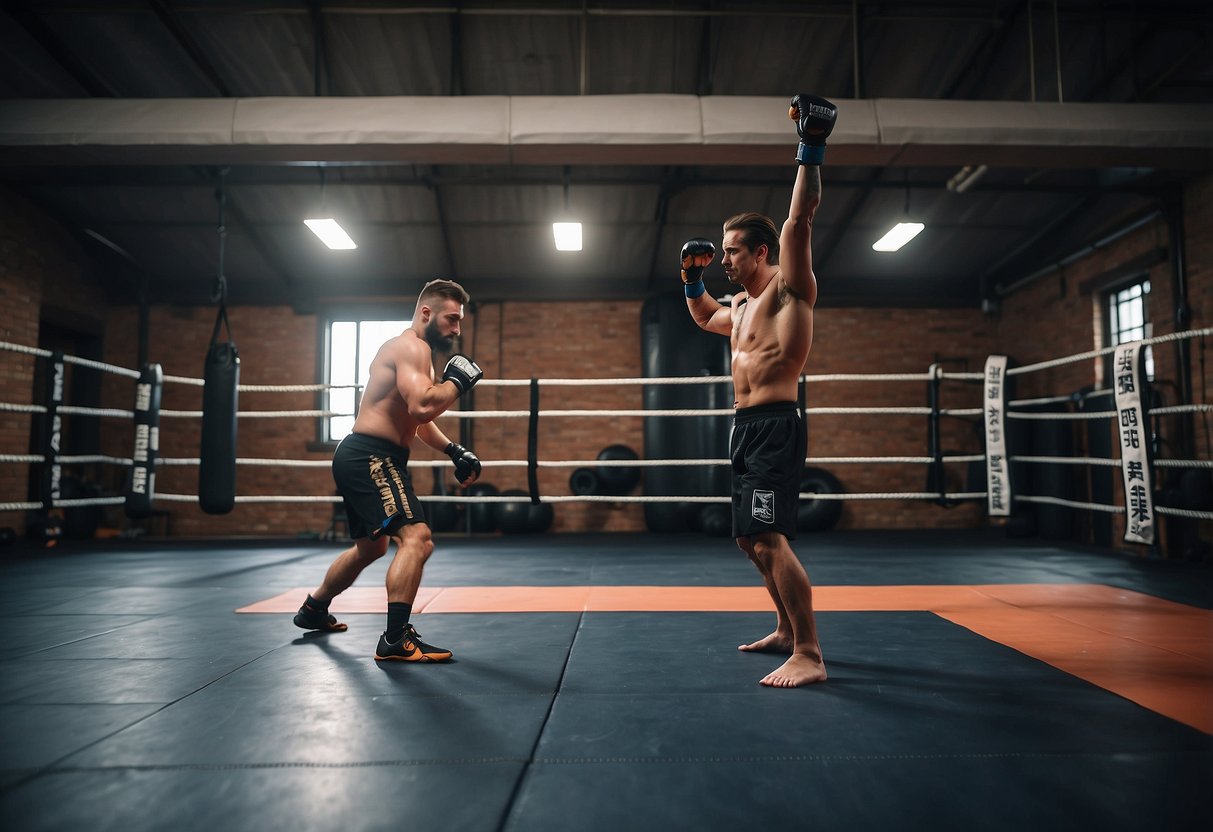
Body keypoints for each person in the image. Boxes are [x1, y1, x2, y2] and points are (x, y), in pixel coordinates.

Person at [679, 94, 837, 688]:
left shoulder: (790, 290)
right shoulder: (741, 306)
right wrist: (691, 277)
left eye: (732, 251)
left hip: (775, 424)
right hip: (743, 429)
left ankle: (812, 653)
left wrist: (810, 148)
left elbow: (801, 221)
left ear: (761, 252)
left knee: (769, 538)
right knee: (750, 539)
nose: (724, 259)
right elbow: (703, 318)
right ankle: (785, 629)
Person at [293, 278, 484, 663]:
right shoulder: (409, 348)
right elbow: (423, 406)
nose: (457, 328)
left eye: (459, 321)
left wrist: (453, 450)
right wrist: (457, 383)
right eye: (452, 319)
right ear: (426, 312)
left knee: (371, 547)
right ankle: (395, 638)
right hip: (370, 455)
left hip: (369, 455)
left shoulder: (418, 353)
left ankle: (314, 608)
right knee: (417, 538)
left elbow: (415, 418)